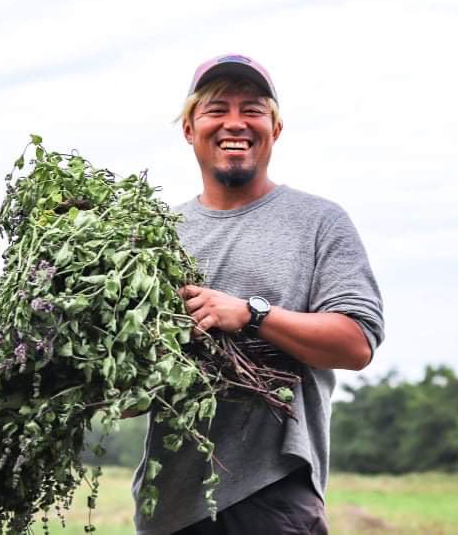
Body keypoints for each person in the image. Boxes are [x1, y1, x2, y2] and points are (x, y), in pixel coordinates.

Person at [132, 54, 385, 535]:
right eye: (216, 109)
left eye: (252, 109)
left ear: (275, 128)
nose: (235, 123)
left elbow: (356, 344)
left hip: (274, 492)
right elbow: (133, 393)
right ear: (189, 128)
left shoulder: (318, 223)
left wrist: (250, 313)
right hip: (170, 503)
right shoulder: (153, 238)